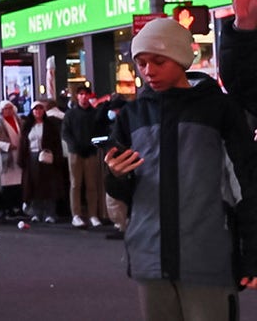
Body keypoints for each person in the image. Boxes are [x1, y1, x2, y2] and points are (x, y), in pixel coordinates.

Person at [105, 17, 257, 320]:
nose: (149, 71)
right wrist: (115, 175)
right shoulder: (131, 116)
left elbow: (247, 184)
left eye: (158, 61)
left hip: (208, 256)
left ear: (180, 58)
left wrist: (251, 253)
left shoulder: (219, 109)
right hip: (149, 256)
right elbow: (124, 192)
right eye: (142, 62)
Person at [62, 85, 108, 228]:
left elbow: (100, 130)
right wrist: (74, 146)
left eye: (86, 94)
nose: (83, 97)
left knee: (91, 184)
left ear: (89, 96)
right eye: (81, 94)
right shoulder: (70, 114)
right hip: (75, 152)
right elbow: (65, 133)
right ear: (77, 96)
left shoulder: (94, 113)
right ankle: (76, 214)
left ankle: (93, 214)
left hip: (90, 152)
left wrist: (93, 145)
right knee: (76, 184)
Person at [20, 101, 63, 223]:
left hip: (47, 157)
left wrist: (56, 158)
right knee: (34, 186)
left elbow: (56, 143)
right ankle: (36, 212)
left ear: (44, 111)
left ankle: (50, 213)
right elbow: (23, 144)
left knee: (49, 186)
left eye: (40, 109)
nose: (38, 112)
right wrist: (22, 160)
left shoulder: (50, 126)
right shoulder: (28, 126)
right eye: (35, 110)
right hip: (32, 158)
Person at [0, 100, 24, 221]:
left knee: (19, 184)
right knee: (7, 184)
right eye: (6, 109)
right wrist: (7, 146)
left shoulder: (19, 121)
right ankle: (8, 209)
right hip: (5, 157)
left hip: (19, 156)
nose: (8, 111)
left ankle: (18, 208)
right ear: (1, 110)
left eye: (10, 108)